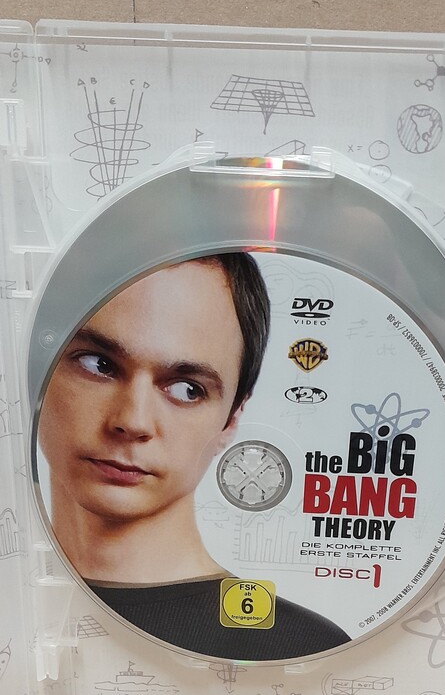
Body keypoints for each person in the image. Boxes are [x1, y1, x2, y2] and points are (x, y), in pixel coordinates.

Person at [38, 253, 350, 661]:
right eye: (99, 365)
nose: (132, 421)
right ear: (38, 370)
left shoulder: (305, 649)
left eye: (187, 389)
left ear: (232, 418)